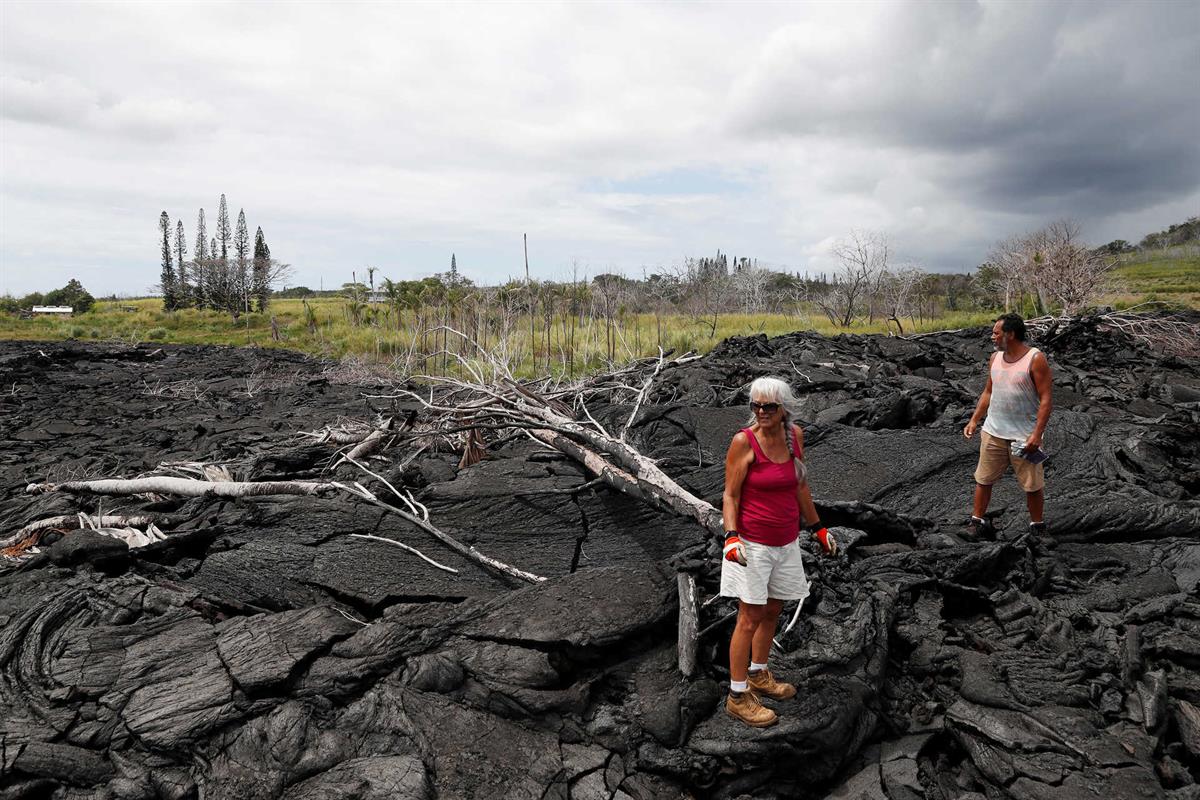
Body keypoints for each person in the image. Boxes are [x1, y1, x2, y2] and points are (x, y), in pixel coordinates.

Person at [720, 376, 837, 728]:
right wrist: (731, 537)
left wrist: (818, 528)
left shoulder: (793, 436)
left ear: (783, 408)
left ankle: (759, 673)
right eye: (756, 405)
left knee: (773, 609)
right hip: (752, 544)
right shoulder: (744, 442)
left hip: (786, 542)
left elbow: (799, 485)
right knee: (749, 616)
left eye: (769, 406)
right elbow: (730, 496)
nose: (761, 412)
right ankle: (737, 695)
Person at [963, 313, 1053, 539]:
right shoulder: (994, 358)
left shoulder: (1035, 358)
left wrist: (1037, 434)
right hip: (993, 431)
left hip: (1023, 435)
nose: (992, 337)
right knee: (983, 479)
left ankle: (1037, 525)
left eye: (996, 333)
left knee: (1032, 485)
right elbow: (988, 391)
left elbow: (1046, 399)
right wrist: (975, 419)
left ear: (1010, 334)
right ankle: (977, 521)